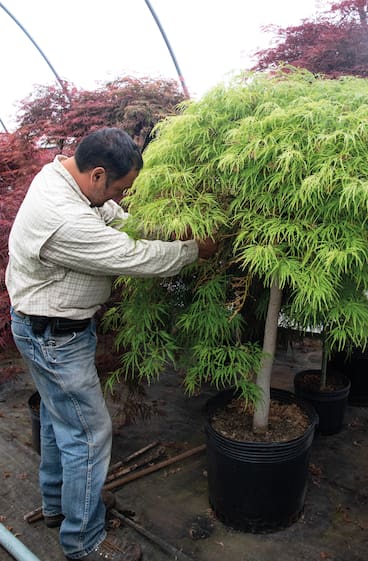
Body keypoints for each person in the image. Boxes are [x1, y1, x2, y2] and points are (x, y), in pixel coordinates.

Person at [6, 127, 218, 561]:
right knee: (88, 434)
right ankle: (84, 542)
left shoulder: (61, 176)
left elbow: (110, 217)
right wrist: (194, 250)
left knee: (55, 420)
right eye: (119, 188)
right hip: (54, 337)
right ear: (98, 174)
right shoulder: (64, 218)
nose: (119, 197)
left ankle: (57, 506)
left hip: (46, 328)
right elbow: (129, 256)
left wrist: (160, 225)